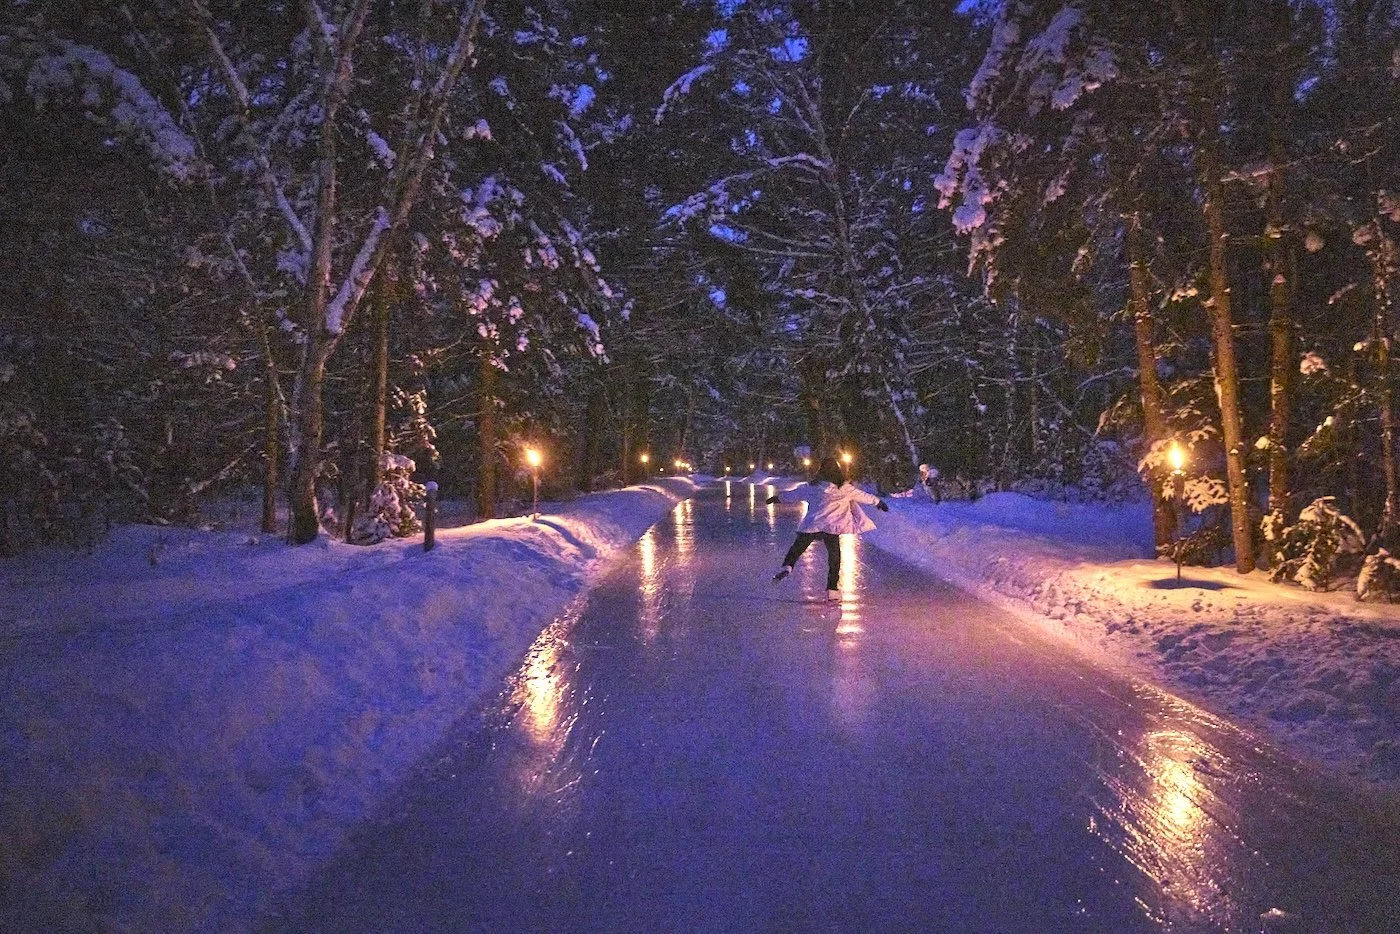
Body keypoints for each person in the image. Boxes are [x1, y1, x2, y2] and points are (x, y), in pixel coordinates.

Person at [767, 456, 889, 601]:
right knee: (834, 556)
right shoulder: (845, 488)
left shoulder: (811, 487)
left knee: (798, 547)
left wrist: (777, 498)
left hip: (813, 524)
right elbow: (863, 496)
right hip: (832, 526)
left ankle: (787, 566)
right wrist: (878, 502)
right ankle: (832, 590)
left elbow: (794, 494)